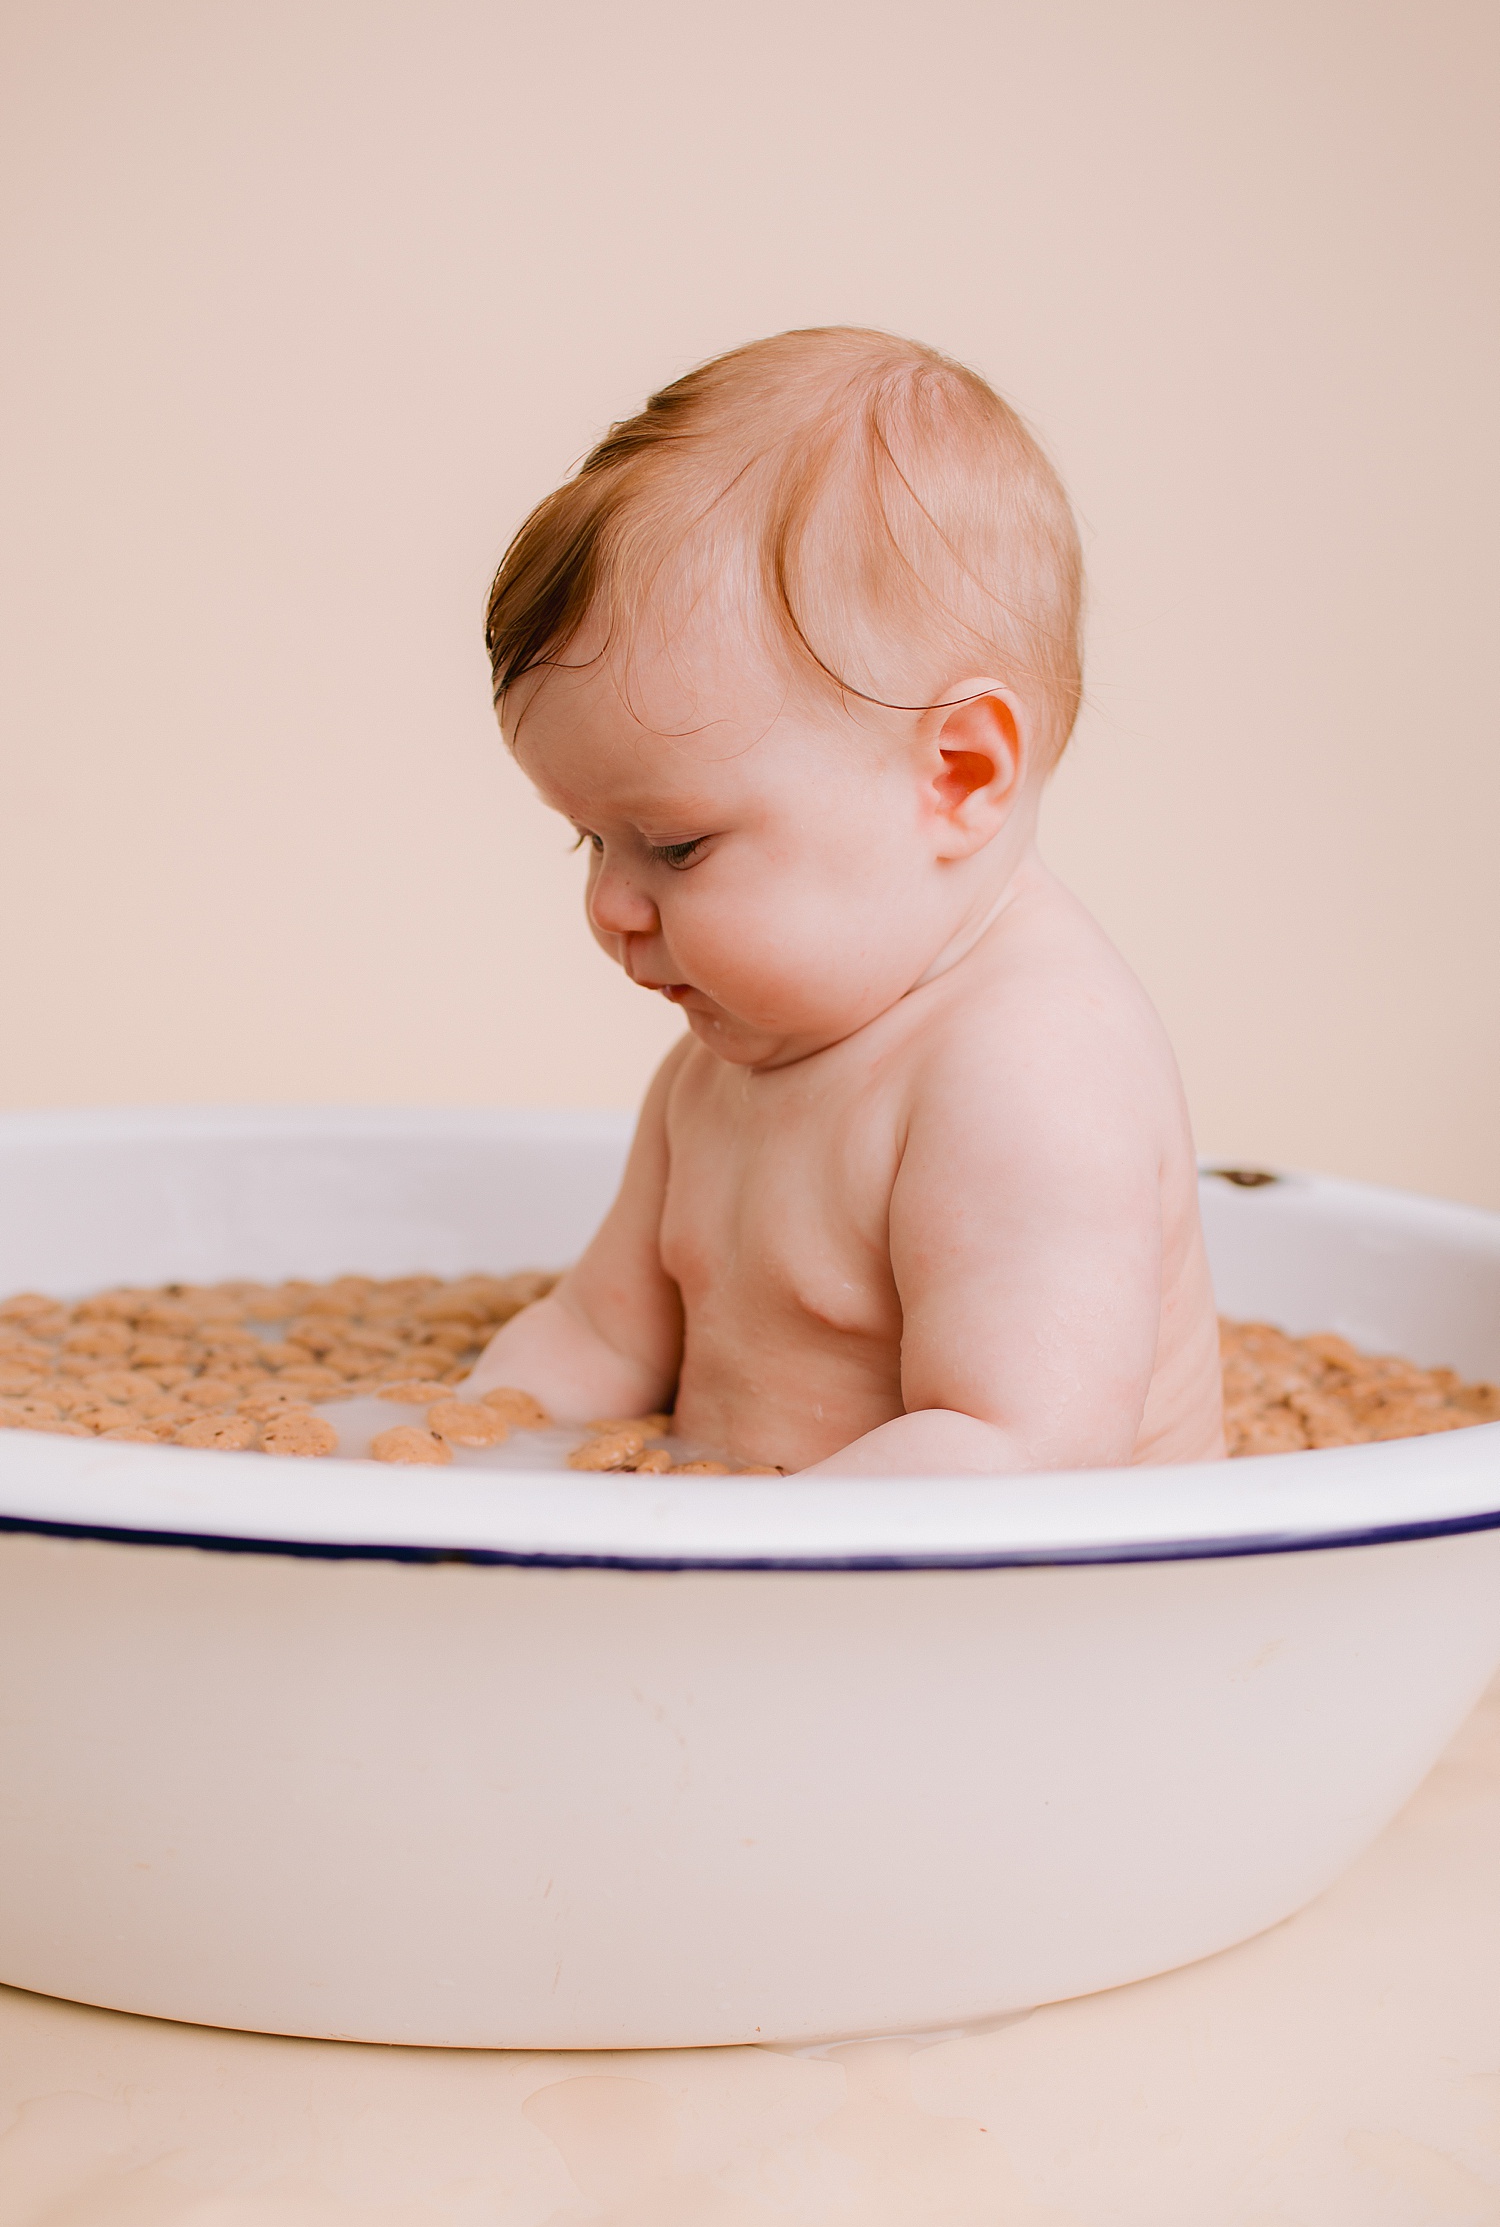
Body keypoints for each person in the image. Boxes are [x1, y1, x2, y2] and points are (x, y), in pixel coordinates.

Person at [467, 328, 1224, 1475]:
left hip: (1014, 1626)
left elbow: (1019, 1458)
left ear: (958, 775)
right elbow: (597, 1334)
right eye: (590, 838)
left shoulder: (1029, 1075)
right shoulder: (731, 1060)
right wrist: (435, 1447)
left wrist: (727, 1561)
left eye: (675, 844)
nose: (613, 905)